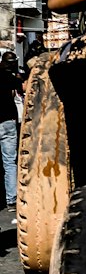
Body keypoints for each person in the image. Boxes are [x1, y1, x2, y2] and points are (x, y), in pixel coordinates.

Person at [0, 49, 22, 212]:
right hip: (7, 120)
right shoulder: (11, 78)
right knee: (9, 161)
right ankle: (11, 199)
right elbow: (22, 88)